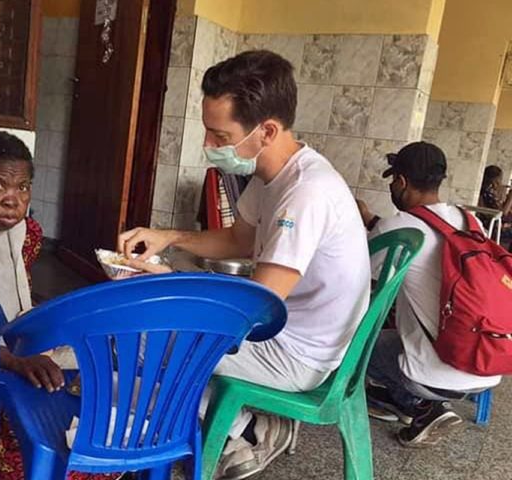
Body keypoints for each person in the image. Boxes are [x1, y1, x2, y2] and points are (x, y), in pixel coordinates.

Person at [118, 50, 371, 480]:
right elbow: (238, 239)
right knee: (165, 324)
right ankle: (238, 426)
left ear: (266, 131)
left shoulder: (306, 193)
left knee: (147, 337)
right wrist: (168, 237)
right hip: (292, 331)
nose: (208, 146)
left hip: (297, 354)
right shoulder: (276, 174)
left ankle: (244, 429)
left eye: (219, 136)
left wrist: (174, 283)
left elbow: (259, 307)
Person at [0, 131, 117, 480]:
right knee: (28, 407)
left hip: (15, 344)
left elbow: (17, 296)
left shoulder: (28, 235)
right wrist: (14, 361)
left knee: (93, 377)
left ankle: (95, 463)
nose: (13, 200)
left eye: (23, 187)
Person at [357, 142, 501, 447]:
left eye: (392, 181)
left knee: (355, 344)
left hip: (435, 375)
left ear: (401, 182)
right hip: (486, 363)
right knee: (395, 337)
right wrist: (372, 220)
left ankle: (421, 405)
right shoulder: (471, 222)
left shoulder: (398, 226)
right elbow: (424, 238)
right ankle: (399, 399)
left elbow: (360, 275)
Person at [478, 165, 512, 247]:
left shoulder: (488, 192)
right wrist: (510, 198)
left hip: (496, 223)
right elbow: (502, 214)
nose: (500, 183)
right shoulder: (486, 193)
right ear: (494, 181)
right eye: (500, 180)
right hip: (493, 226)